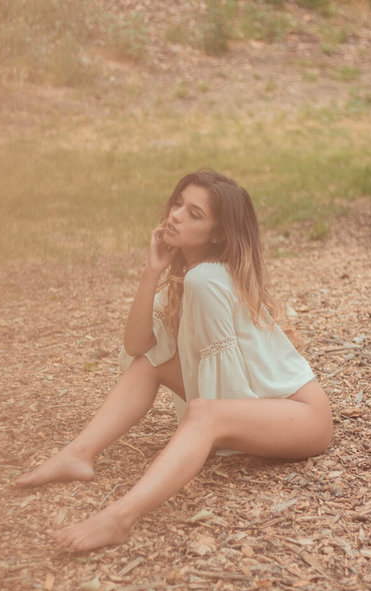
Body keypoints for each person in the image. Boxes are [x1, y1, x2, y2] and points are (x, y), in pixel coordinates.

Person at [16, 168, 333, 552]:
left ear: (217, 234)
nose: (176, 215)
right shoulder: (192, 277)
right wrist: (152, 271)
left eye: (194, 214)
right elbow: (138, 346)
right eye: (178, 204)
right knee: (150, 363)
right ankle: (77, 453)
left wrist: (204, 434)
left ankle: (119, 519)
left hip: (302, 416)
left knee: (204, 413)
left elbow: (224, 395)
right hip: (257, 404)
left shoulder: (208, 280)